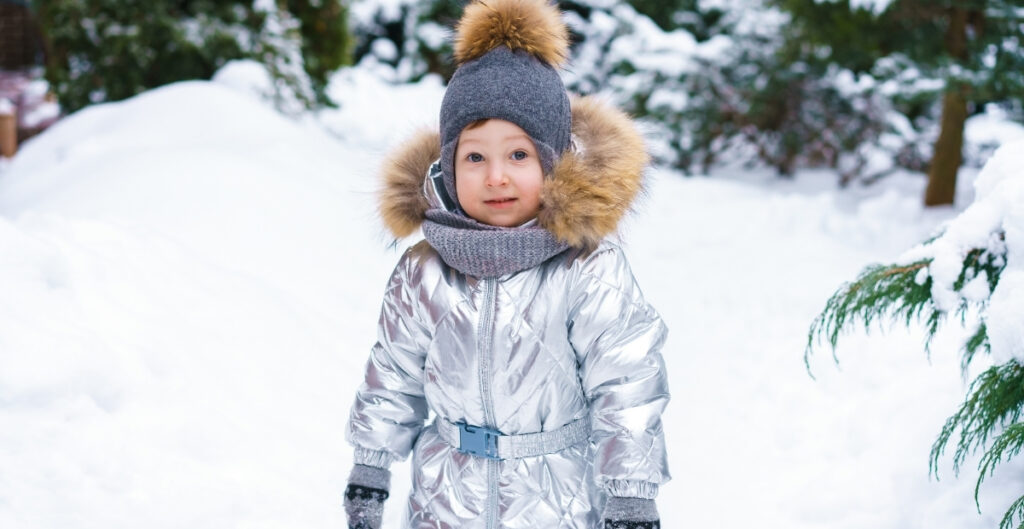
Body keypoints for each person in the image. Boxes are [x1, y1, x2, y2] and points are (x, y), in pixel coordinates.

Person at [343, 1, 670, 528]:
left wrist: (630, 493)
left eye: (518, 156)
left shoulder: (587, 268)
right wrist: (371, 464)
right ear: (446, 168)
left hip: (556, 499)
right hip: (445, 498)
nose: (496, 177)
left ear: (554, 161)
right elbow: (393, 373)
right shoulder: (424, 269)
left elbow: (627, 380)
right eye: (474, 157)